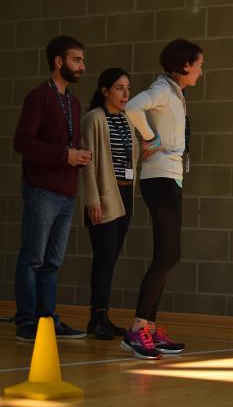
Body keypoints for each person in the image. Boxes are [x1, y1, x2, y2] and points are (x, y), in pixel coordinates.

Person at [121, 39, 203, 359]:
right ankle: (137, 329)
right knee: (168, 254)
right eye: (198, 65)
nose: (200, 71)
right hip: (159, 180)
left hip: (170, 179)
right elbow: (132, 106)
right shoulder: (162, 90)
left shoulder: (175, 93)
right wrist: (150, 137)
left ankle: (150, 330)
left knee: (168, 254)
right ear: (184, 65)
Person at [13, 36, 91, 342]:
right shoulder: (38, 97)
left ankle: (48, 320)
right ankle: (26, 321)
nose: (82, 66)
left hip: (66, 192)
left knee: (53, 261)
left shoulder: (73, 101)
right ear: (58, 62)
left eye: (83, 60)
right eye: (76, 60)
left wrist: (79, 155)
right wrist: (64, 155)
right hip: (42, 190)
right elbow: (22, 142)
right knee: (32, 258)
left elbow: (65, 144)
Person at [81, 68, 139, 340]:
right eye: (119, 88)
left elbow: (133, 155)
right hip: (105, 196)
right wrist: (93, 198)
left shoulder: (127, 120)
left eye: (127, 88)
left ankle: (104, 315)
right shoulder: (94, 119)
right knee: (103, 258)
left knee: (111, 258)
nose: (126, 93)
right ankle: (97, 317)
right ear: (105, 91)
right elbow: (89, 162)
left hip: (126, 195)